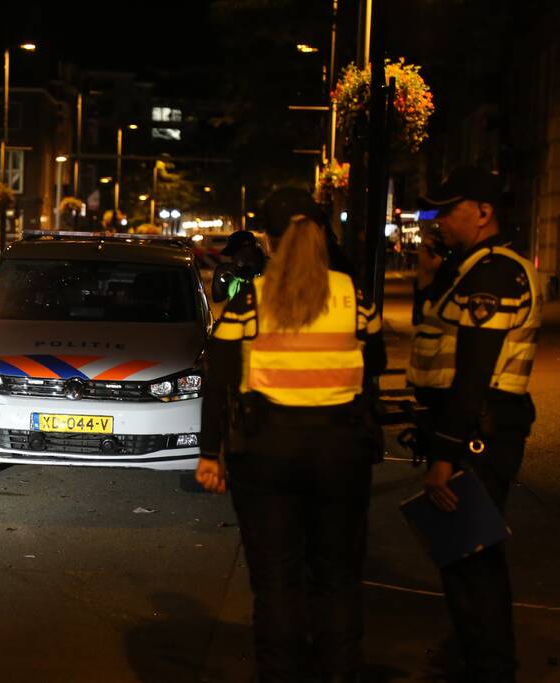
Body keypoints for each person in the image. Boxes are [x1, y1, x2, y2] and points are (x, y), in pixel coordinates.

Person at [197, 189, 386, 682]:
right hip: (341, 452)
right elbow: (376, 362)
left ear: (267, 241)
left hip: (267, 452)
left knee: (276, 584)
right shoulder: (352, 296)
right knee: (338, 580)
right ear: (321, 236)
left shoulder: (251, 301)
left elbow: (218, 374)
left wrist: (209, 453)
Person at [410, 166, 539, 682]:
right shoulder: (471, 267)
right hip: (472, 430)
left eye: (447, 210)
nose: (437, 221)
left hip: (479, 433)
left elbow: (473, 375)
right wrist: (430, 276)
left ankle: (489, 666)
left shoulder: (493, 273)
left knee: (474, 560)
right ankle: (476, 655)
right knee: (462, 557)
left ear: (483, 213)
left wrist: (445, 455)